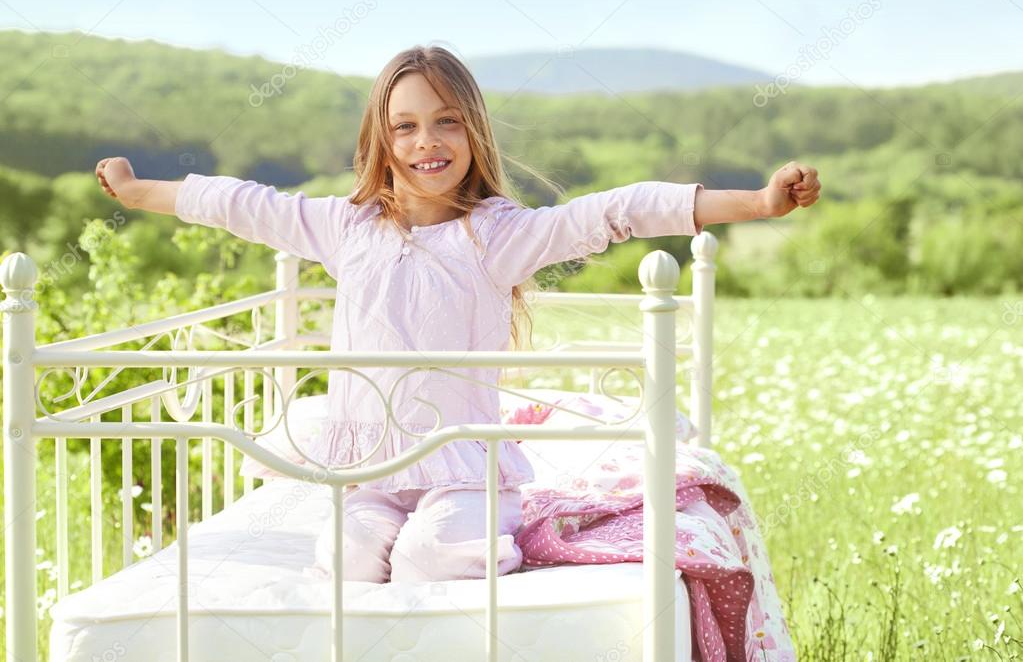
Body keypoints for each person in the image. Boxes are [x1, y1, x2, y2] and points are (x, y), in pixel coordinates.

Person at [95, 44, 821, 585]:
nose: (425, 142)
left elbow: (621, 210)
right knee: (344, 561)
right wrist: (137, 192)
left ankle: (497, 532)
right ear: (383, 140)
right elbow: (235, 203)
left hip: (462, 467)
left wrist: (756, 204)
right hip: (368, 468)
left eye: (444, 122)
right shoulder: (344, 227)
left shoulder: (499, 234)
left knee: (430, 555)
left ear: (472, 130)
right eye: (405, 126)